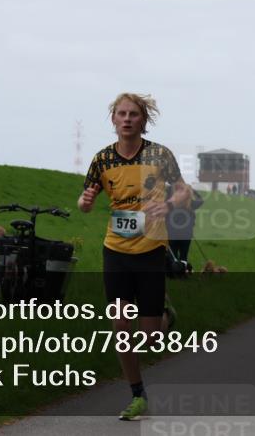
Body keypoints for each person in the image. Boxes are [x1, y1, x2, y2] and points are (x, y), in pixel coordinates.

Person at [77, 93, 192, 421]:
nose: (127, 119)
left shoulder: (159, 154)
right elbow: (86, 198)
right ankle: (137, 393)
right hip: (115, 249)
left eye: (134, 114)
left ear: (144, 120)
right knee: (120, 326)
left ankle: (165, 313)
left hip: (151, 249)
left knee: (151, 337)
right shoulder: (102, 159)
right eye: (121, 114)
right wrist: (85, 202)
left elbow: (184, 191)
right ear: (113, 119)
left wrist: (168, 205)